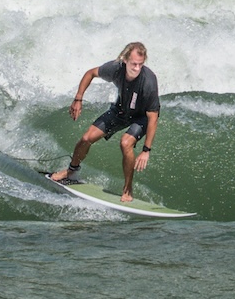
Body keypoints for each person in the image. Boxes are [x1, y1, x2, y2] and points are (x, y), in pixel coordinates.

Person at [48, 41, 160, 203]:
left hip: (141, 117)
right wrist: (78, 98)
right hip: (120, 111)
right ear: (125, 60)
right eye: (134, 64)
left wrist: (146, 150)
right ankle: (71, 171)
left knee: (125, 143)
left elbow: (153, 117)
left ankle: (127, 188)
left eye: (140, 64)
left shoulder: (148, 81)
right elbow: (90, 73)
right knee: (86, 138)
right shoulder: (115, 68)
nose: (137, 68)